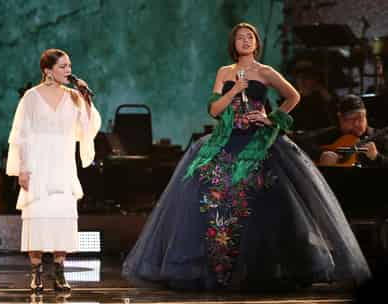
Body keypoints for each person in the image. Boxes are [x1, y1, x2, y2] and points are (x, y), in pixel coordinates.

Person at [122, 22, 371, 291]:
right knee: (206, 189)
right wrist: (234, 88)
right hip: (226, 139)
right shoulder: (225, 72)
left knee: (263, 198)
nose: (245, 41)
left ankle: (265, 266)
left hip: (258, 141)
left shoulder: (265, 71)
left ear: (256, 43)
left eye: (250, 37)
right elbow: (215, 111)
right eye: (240, 37)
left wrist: (271, 118)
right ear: (234, 43)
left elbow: (293, 96)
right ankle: (215, 264)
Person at [6, 49, 101, 292]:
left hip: (63, 163)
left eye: (69, 66)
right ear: (48, 70)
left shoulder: (73, 97)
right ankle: (36, 272)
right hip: (38, 163)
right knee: (37, 217)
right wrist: (22, 169)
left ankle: (59, 270)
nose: (68, 71)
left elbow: (87, 129)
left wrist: (86, 99)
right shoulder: (31, 97)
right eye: (62, 66)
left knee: (61, 216)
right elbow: (21, 135)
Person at [304, 94, 388, 167]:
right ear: (340, 118)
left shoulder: (380, 138)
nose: (357, 123)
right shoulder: (331, 135)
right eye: (351, 119)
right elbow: (301, 143)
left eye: (360, 117)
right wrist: (320, 155)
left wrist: (377, 157)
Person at [290, 61, 337, 132]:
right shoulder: (292, 99)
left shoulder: (324, 98)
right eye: (299, 77)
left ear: (315, 79)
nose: (302, 81)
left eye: (307, 77)